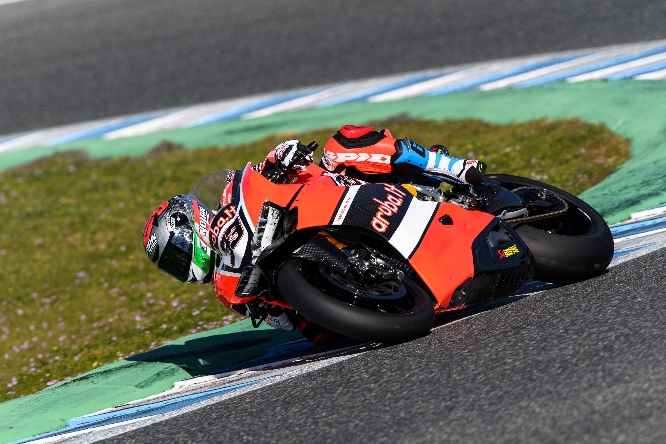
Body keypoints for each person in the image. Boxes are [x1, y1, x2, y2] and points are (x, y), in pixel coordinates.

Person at [143, 125, 487, 344]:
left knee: (343, 144)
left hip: (336, 192)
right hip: (338, 282)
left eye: (175, 255)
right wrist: (272, 307)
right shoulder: (227, 286)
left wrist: (282, 158)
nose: (180, 266)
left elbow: (271, 164)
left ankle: (449, 167)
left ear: (191, 226)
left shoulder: (230, 203)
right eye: (171, 266)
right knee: (318, 335)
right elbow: (286, 324)